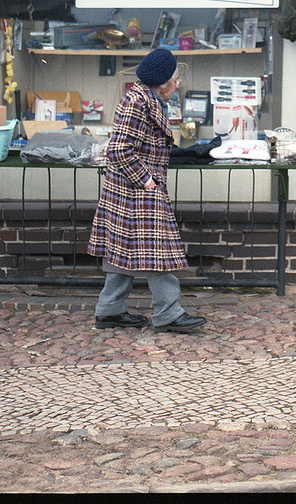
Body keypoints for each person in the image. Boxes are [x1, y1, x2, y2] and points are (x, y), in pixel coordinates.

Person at [87, 48, 206, 333]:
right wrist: (147, 180)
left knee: (122, 249)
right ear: (162, 81)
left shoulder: (144, 98)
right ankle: (169, 313)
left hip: (129, 190)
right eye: (175, 80)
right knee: (158, 251)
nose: (177, 85)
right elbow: (118, 149)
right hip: (136, 189)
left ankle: (110, 310)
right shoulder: (138, 102)